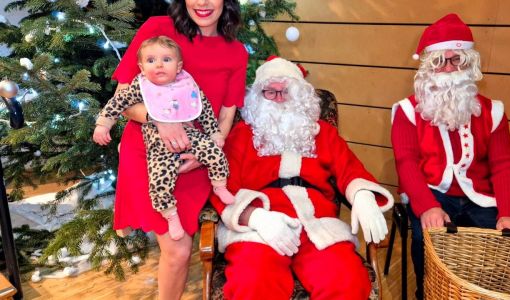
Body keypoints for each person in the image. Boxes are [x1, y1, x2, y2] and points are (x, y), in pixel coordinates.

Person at [209, 56, 394, 300]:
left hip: (317, 223)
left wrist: (361, 195)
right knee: (251, 282)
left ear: (300, 95)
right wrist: (255, 216)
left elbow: (350, 169)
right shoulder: (242, 135)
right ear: (258, 97)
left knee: (347, 281)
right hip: (261, 227)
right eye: (269, 92)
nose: (278, 99)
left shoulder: (323, 133)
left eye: (285, 92)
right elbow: (222, 185)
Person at [110, 0, 247, 298]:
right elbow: (123, 98)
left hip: (197, 154)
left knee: (179, 253)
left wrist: (204, 153)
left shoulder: (235, 51)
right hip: (150, 150)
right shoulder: (157, 29)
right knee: (179, 250)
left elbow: (226, 115)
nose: (202, 2)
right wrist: (159, 120)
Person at [391, 13, 510, 299]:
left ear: (469, 63)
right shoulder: (405, 111)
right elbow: (406, 163)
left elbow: (504, 165)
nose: (450, 68)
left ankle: (485, 294)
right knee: (426, 239)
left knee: (506, 241)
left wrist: (509, 213)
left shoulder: (493, 111)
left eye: (457, 60)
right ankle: (427, 292)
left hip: (479, 195)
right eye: (441, 61)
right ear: (428, 67)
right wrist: (427, 206)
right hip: (431, 192)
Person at [93, 36, 235, 241]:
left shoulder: (186, 85)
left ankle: (219, 185)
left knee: (215, 153)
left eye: (166, 60)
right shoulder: (141, 87)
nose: (158, 64)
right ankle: (170, 215)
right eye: (151, 61)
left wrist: (214, 133)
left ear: (178, 67)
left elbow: (204, 111)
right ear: (142, 67)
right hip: (159, 144)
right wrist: (103, 124)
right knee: (160, 181)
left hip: (191, 136)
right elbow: (118, 102)